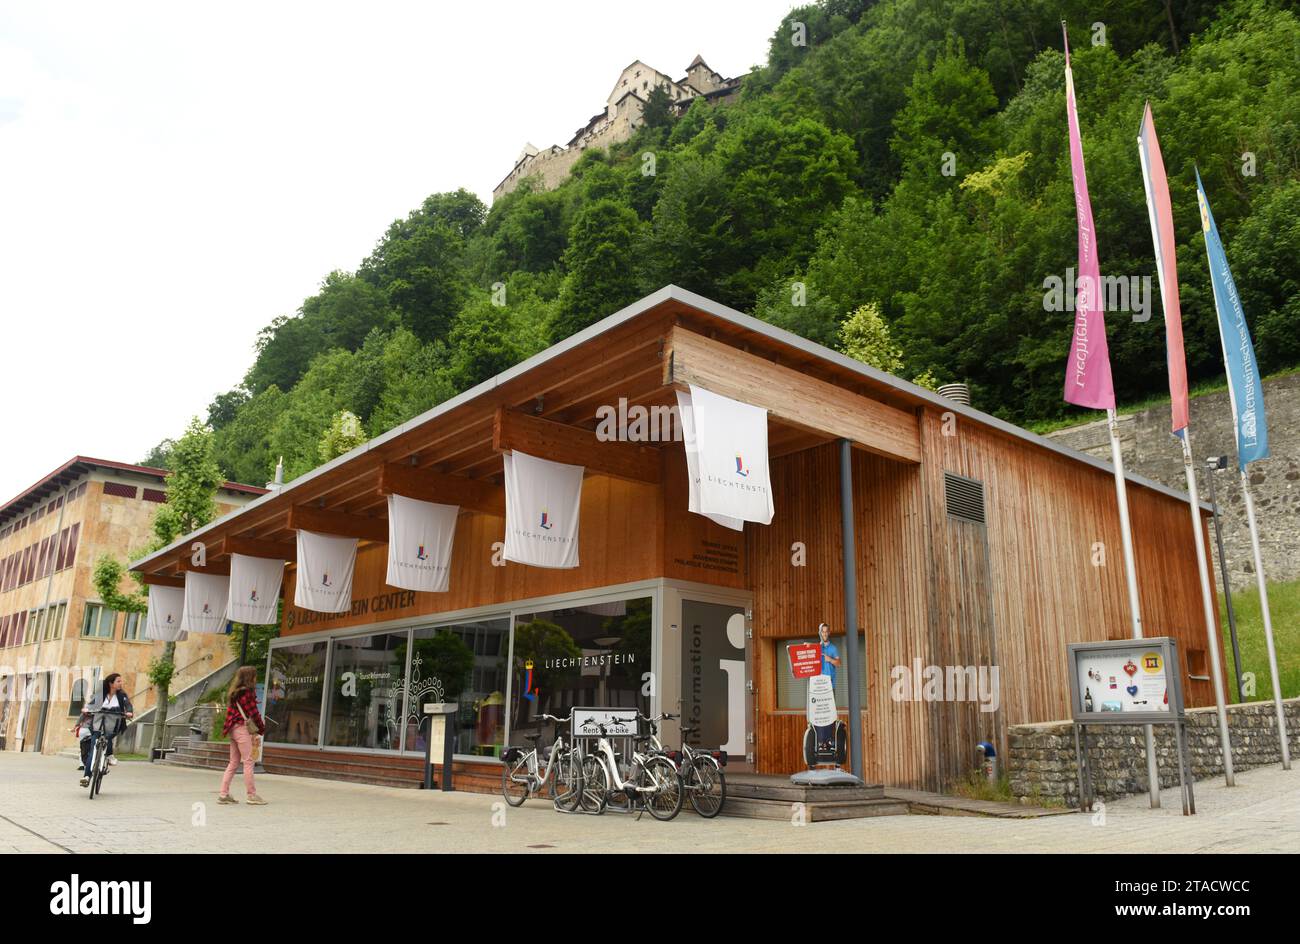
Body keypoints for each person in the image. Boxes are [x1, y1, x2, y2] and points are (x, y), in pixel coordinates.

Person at [219, 666, 268, 805]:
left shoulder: (235, 693)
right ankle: (251, 795)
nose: (256, 678)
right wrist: (261, 729)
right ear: (249, 677)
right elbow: (254, 714)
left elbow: (230, 714)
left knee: (233, 762)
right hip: (242, 729)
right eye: (254, 675)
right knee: (248, 761)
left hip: (233, 729)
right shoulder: (247, 693)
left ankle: (223, 794)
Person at [75, 673, 133, 787]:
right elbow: (91, 705)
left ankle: (109, 755)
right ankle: (86, 777)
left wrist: (129, 712)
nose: (121, 683)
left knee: (108, 737)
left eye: (121, 681)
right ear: (111, 683)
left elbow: (128, 705)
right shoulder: (101, 695)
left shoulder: (122, 695)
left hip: (113, 725)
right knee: (92, 750)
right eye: (118, 681)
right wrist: (86, 709)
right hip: (97, 725)